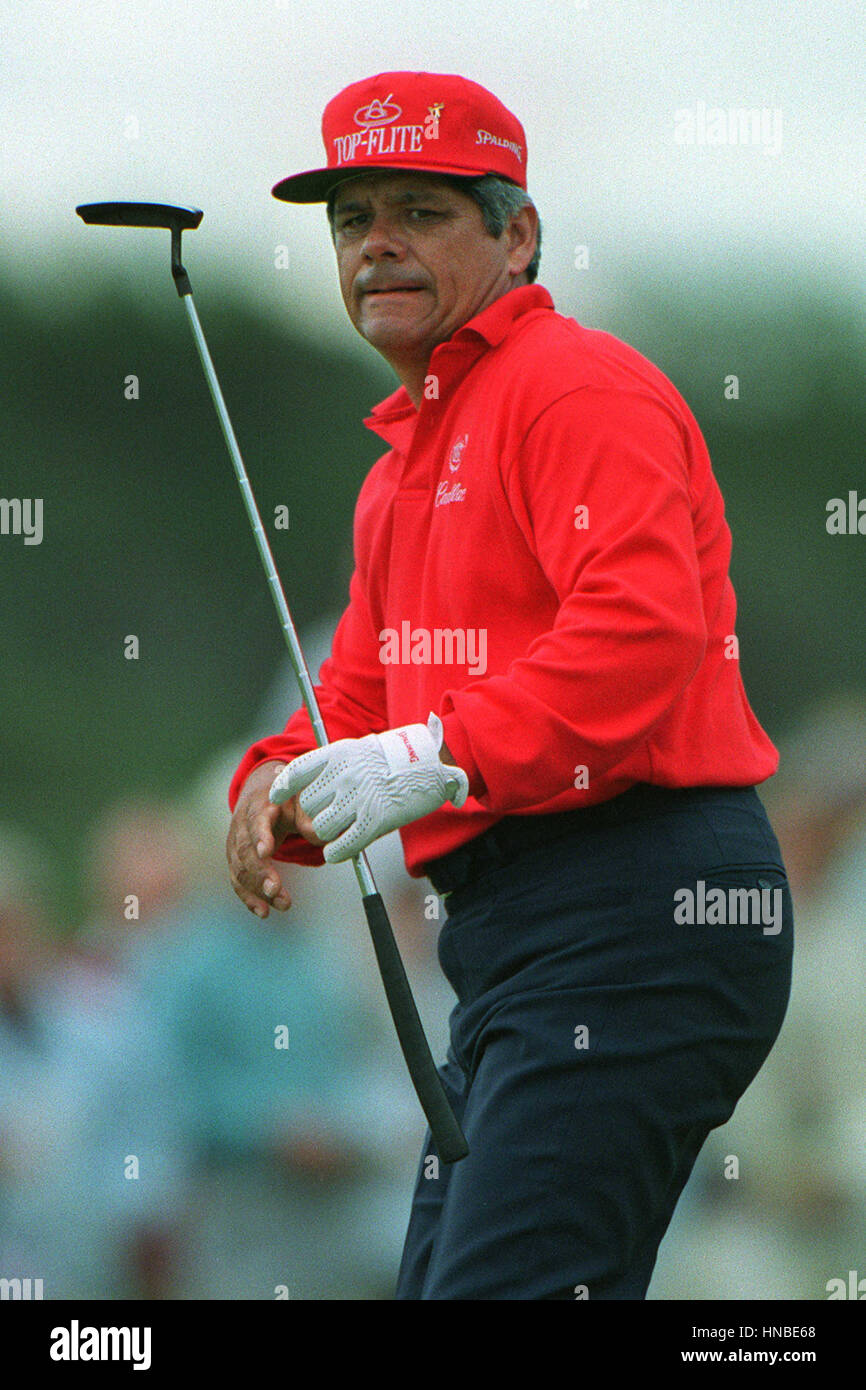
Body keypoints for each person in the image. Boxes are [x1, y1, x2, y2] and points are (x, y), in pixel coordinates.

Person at [226, 71, 794, 1299]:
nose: (375, 242)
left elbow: (638, 639)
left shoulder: (573, 390)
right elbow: (356, 706)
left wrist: (436, 755)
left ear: (516, 233)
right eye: (349, 217)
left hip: (640, 904)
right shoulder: (400, 467)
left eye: (420, 212)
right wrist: (272, 782)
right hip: (520, 940)